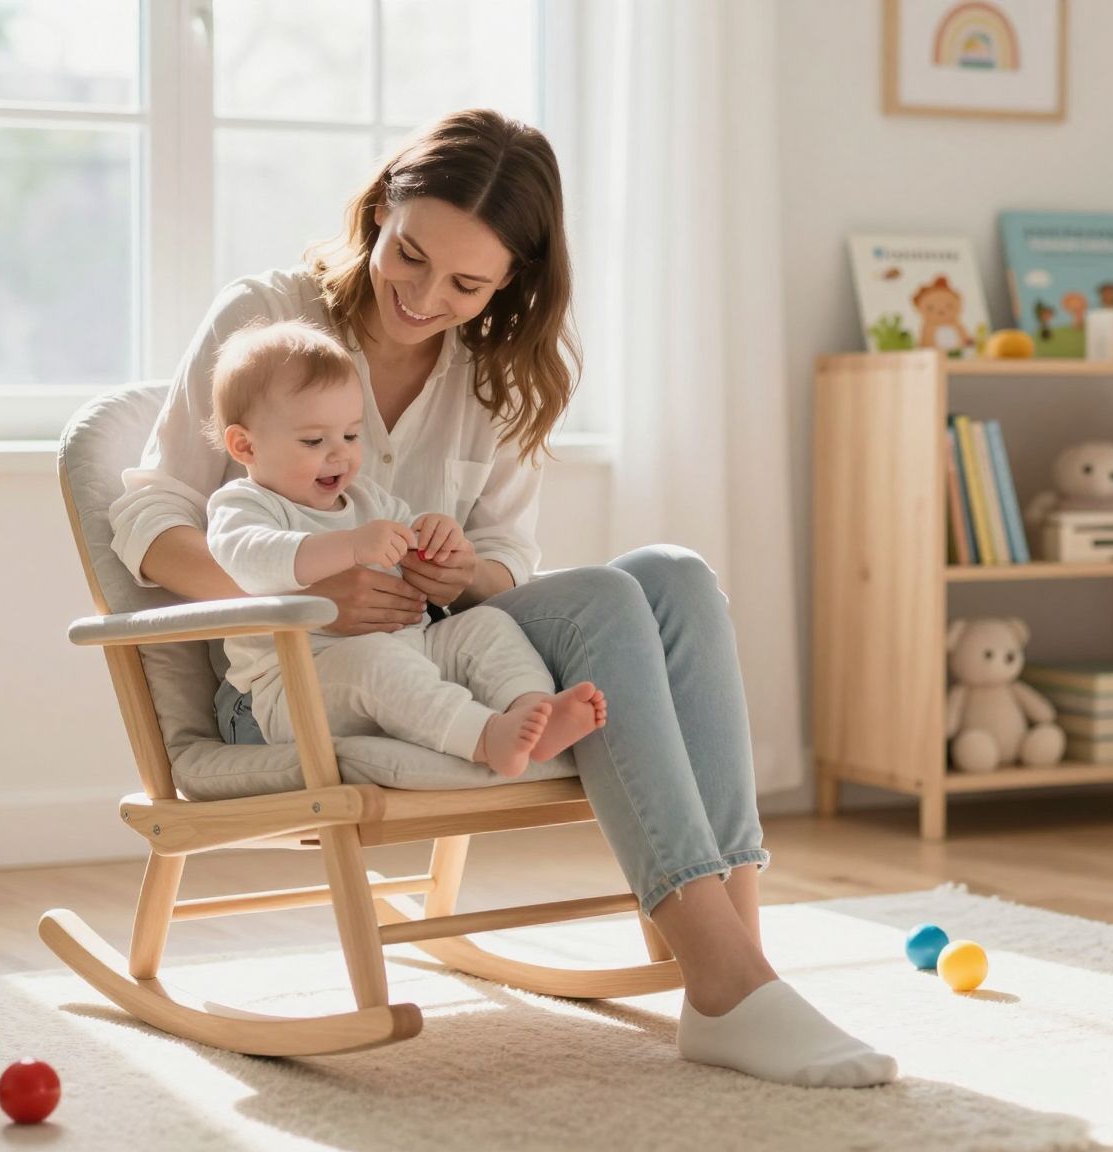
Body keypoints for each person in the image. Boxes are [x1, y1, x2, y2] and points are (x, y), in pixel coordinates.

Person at [109, 108, 896, 1088]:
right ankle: (730, 985)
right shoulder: (268, 321)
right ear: (382, 209)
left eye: (466, 284)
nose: (422, 295)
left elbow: (504, 557)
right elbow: (150, 518)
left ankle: (735, 965)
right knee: (608, 602)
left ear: (511, 281)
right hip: (316, 674)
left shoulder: (495, 369)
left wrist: (460, 572)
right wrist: (306, 596)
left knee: (675, 576)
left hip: (448, 640)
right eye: (408, 255)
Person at [202, 319, 604, 776]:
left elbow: (411, 534)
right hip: (282, 695)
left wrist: (438, 535)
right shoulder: (242, 505)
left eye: (351, 435)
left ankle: (533, 711)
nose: (340, 454)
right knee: (375, 661)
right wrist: (351, 546)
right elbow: (256, 563)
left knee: (485, 626)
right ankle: (484, 736)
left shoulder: (367, 499)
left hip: (406, 652)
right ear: (245, 445)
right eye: (314, 441)